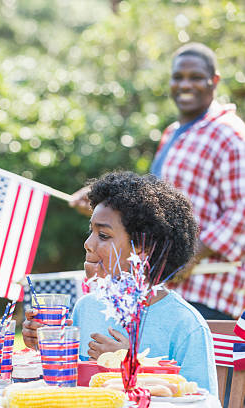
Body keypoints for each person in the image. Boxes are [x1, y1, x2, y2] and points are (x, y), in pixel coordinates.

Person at [70, 43, 245, 320]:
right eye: (178, 77)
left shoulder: (230, 133)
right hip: (161, 287)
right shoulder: (173, 133)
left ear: (215, 81)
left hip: (207, 291)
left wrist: (190, 253)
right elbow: (154, 207)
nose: (185, 84)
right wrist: (106, 207)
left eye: (196, 77)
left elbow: (242, 211)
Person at [25, 172, 218, 396]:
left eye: (103, 235)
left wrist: (131, 365)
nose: (88, 243)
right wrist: (49, 346)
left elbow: (203, 400)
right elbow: (69, 387)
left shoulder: (186, 324)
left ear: (143, 247)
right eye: (91, 232)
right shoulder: (86, 307)